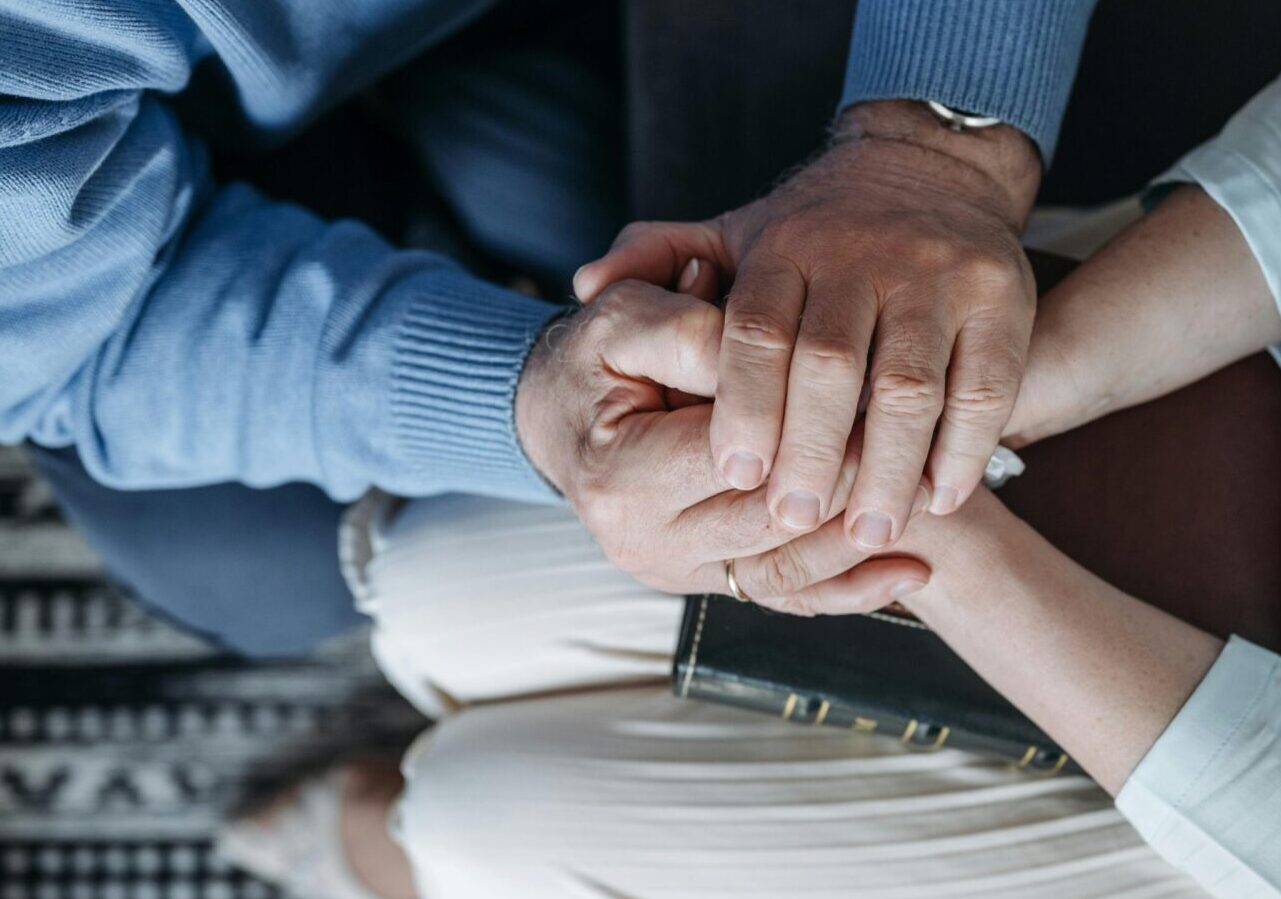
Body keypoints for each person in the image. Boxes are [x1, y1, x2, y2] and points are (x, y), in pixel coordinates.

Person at [227, 0, 1281, 896]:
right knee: (437, 581)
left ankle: (387, 851)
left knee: (485, 816)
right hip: (1258, 340)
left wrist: (941, 543)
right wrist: (1007, 383)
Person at [0, 0, 1096, 654]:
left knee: (658, 236)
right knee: (248, 562)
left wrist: (938, 139)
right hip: (146, 163)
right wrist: (528, 404)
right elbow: (79, 341)